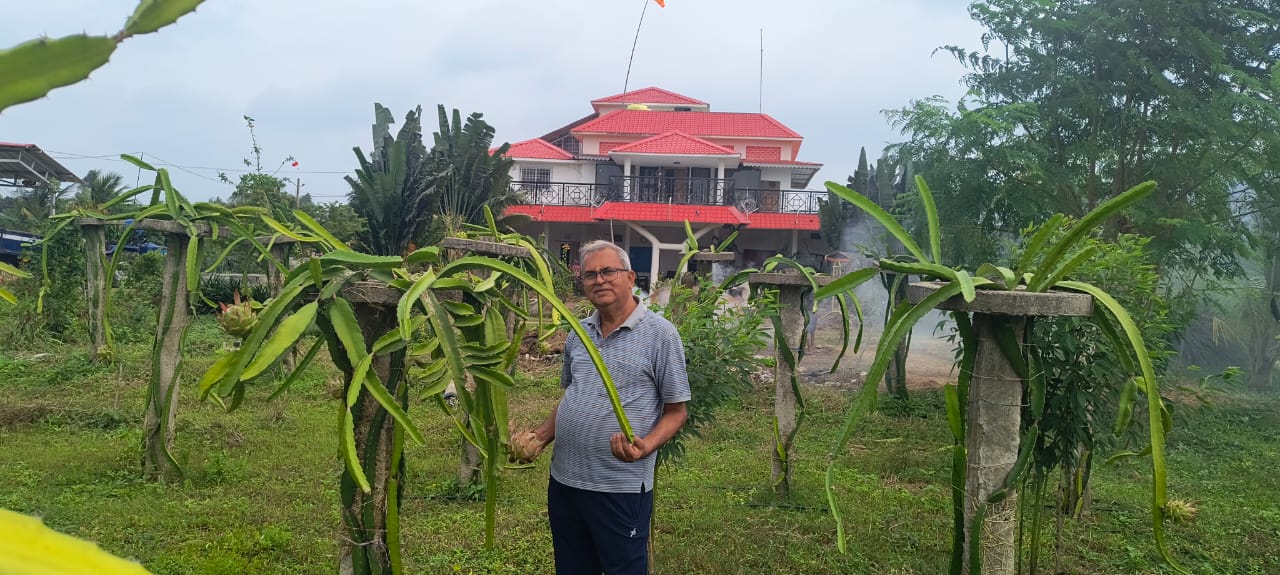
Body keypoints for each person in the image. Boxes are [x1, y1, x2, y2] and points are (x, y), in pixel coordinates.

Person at [513, 239, 690, 575]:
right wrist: (539, 436)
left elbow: (676, 411)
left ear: (630, 277)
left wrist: (646, 447)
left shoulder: (661, 335)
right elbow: (573, 395)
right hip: (565, 482)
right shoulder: (578, 332)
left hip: (618, 487)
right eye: (591, 275)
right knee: (572, 567)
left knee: (622, 568)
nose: (599, 280)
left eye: (609, 271)